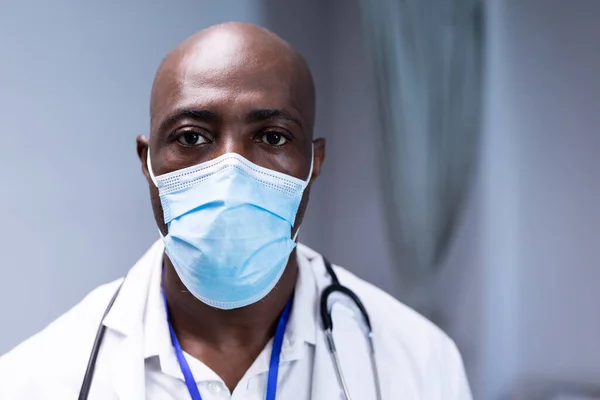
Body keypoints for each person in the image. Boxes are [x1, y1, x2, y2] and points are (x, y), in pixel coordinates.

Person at [0, 22, 472, 399]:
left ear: (314, 161)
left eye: (272, 137)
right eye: (191, 137)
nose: (231, 173)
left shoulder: (420, 362)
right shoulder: (36, 380)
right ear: (148, 162)